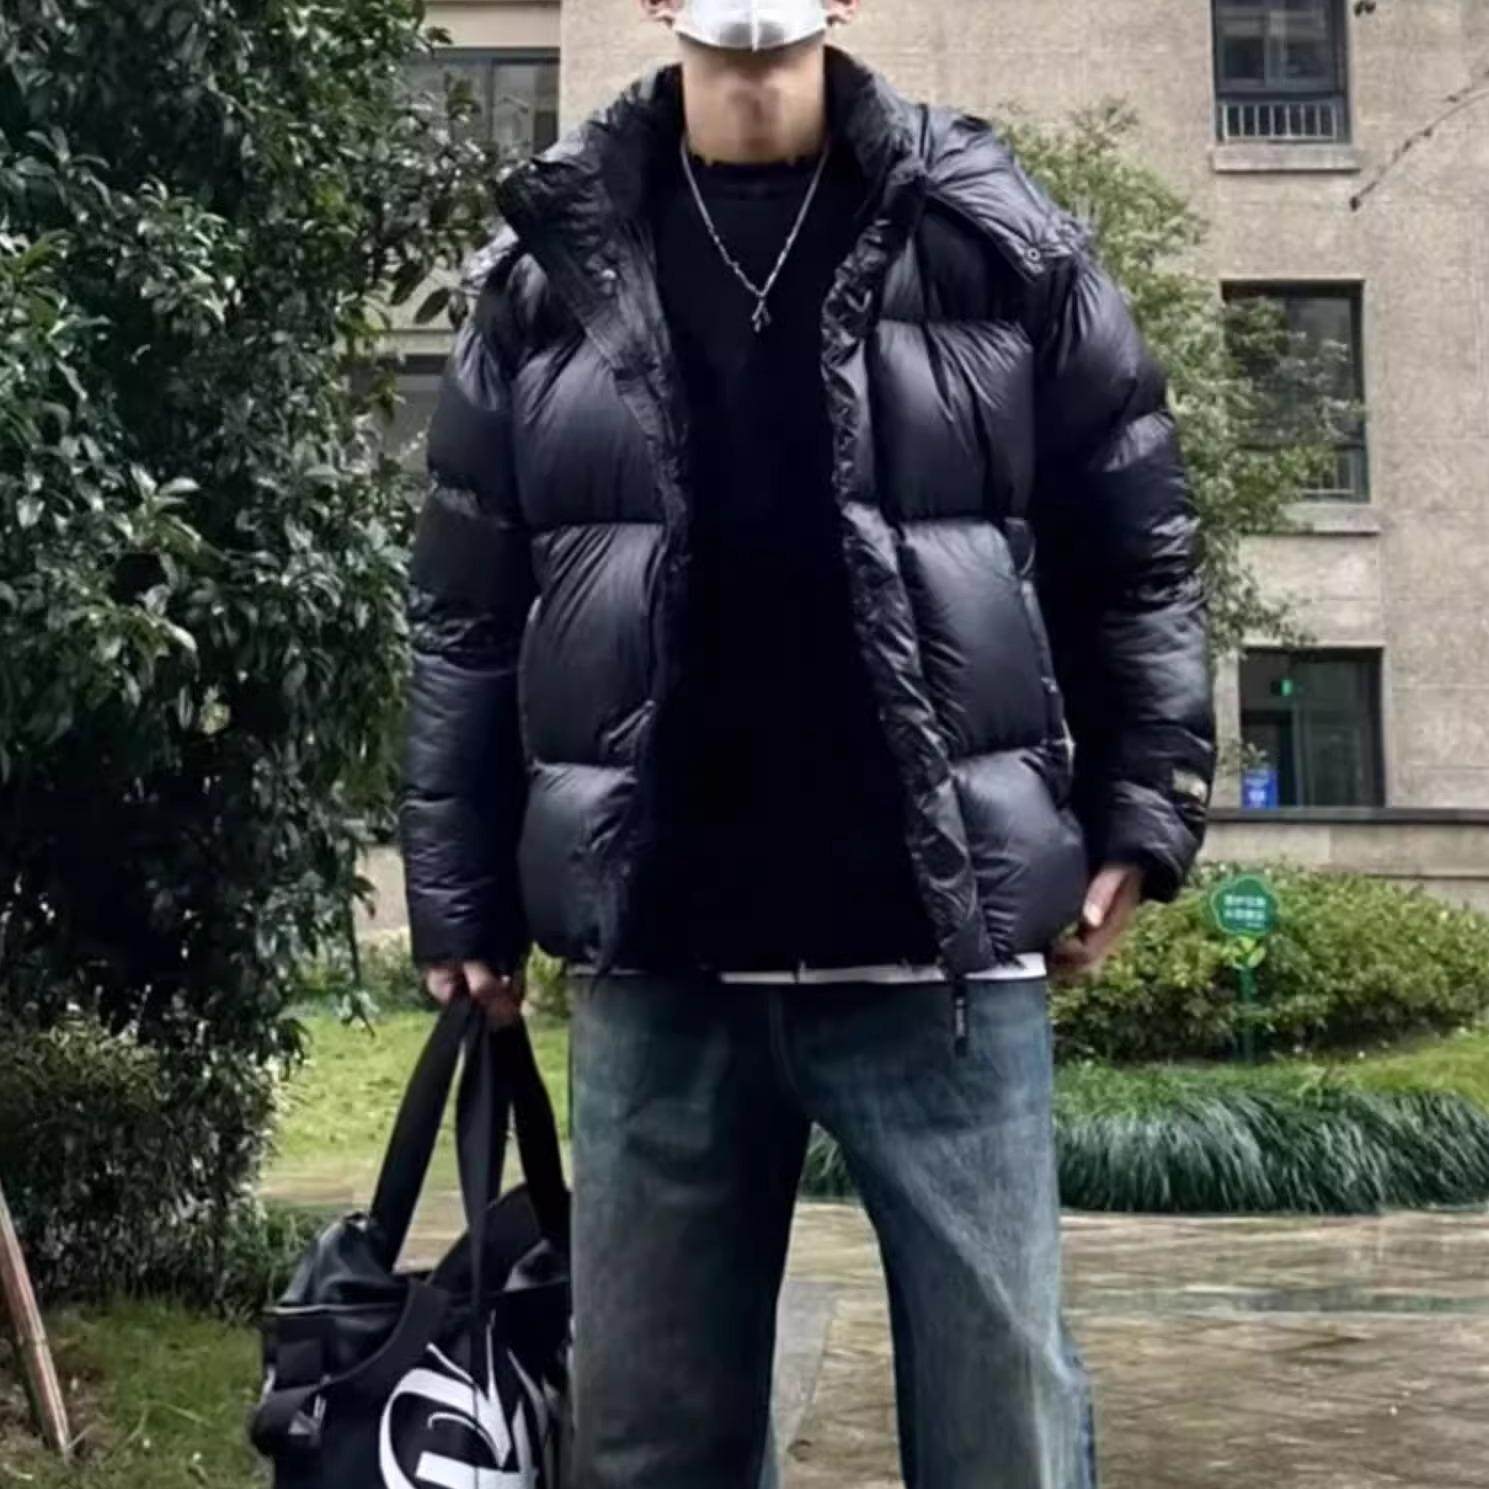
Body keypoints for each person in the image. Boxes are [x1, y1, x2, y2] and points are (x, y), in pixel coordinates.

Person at [399, 1, 1216, 1484]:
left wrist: (1142, 811)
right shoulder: (552, 265)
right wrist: (458, 892)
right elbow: (467, 607)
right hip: (660, 958)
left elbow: (1137, 541)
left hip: (941, 957)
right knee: (652, 1448)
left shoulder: (992, 232)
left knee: (1006, 1437)